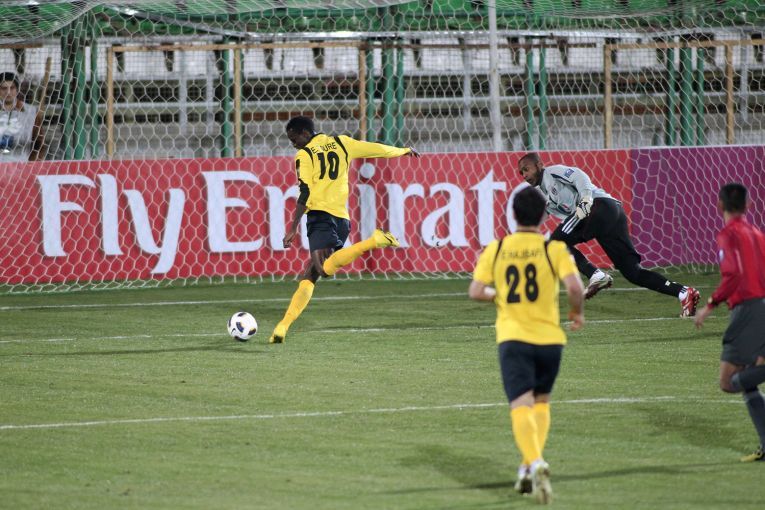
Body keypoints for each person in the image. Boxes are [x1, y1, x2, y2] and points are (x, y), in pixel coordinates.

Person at [469, 186, 585, 504]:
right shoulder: (554, 249)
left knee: (521, 405)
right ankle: (526, 467)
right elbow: (576, 288)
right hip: (550, 341)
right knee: (541, 402)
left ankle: (535, 462)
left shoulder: (498, 249)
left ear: (513, 215)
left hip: (514, 338)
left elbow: (476, 291)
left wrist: (499, 295)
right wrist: (576, 313)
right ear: (544, 217)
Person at [269, 116, 420, 344]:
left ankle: (374, 241)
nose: (293, 144)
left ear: (305, 133)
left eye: (294, 139)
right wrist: (403, 150)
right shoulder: (342, 143)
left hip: (320, 216)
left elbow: (305, 192)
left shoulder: (304, 155)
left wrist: (292, 227)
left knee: (323, 269)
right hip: (342, 219)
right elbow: (375, 149)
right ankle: (282, 327)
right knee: (311, 274)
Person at [518, 152, 700, 317]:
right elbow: (538, 217)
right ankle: (684, 293)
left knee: (554, 244)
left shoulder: (552, 172)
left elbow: (579, 175)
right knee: (632, 272)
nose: (524, 175)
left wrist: (586, 198)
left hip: (600, 206)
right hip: (611, 215)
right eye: (521, 173)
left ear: (539, 165)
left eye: (526, 169)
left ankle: (595, 275)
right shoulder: (541, 195)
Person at [694, 183, 765, 462]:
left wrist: (709, 305)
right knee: (748, 379)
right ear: (748, 206)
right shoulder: (757, 234)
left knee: (728, 381)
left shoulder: (728, 234)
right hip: (760, 307)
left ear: (719, 205)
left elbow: (733, 274)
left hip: (748, 310)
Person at [0, 72, 39, 162]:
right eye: (4, 88)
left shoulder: (31, 111)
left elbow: (38, 142)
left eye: (12, 88)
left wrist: (33, 165)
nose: (8, 92)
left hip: (22, 164)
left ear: (17, 90)